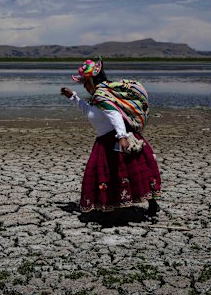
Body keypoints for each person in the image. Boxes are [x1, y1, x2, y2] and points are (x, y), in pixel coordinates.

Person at [60, 57, 161, 216]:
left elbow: (114, 115)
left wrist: (121, 136)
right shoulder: (98, 97)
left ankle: (124, 207)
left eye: (86, 83)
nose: (85, 87)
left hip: (113, 140)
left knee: (122, 173)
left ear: (92, 81)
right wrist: (73, 97)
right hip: (105, 140)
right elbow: (91, 112)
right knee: (128, 173)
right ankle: (128, 205)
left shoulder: (101, 95)